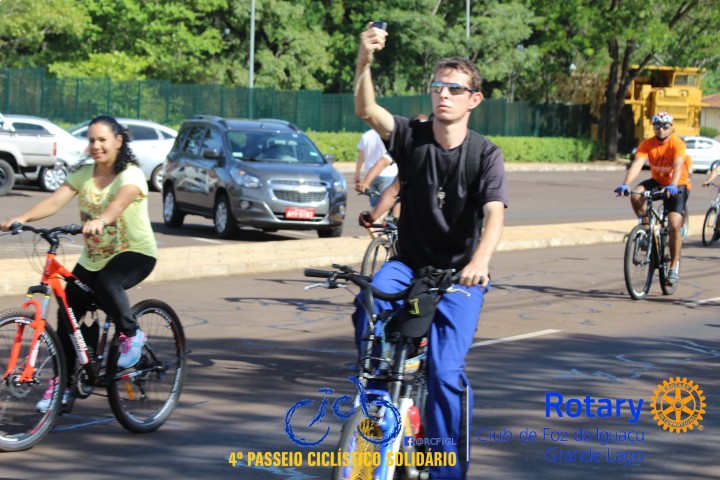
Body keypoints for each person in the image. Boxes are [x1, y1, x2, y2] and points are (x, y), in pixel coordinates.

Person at [353, 23, 507, 479]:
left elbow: (494, 214)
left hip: (459, 275)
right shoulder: (411, 137)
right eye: (438, 86)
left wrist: (480, 261)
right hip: (408, 265)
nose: (443, 95)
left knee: (443, 374)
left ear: (473, 100)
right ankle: (379, 409)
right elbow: (366, 109)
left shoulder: (485, 155)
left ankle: (445, 470)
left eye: (454, 89)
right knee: (368, 304)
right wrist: (364, 60)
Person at [1, 115, 158, 411]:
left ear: (118, 141)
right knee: (68, 311)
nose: (96, 146)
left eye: (103, 140)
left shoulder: (131, 174)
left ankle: (132, 334)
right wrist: (21, 218)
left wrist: (102, 219)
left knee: (108, 284)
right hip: (94, 259)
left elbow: (120, 202)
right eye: (92, 140)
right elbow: (54, 200)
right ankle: (64, 384)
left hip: (134, 253)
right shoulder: (84, 174)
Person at [615, 112, 689, 285]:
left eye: (665, 126)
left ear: (671, 127)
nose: (661, 129)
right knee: (635, 194)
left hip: (677, 184)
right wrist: (625, 184)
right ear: (653, 127)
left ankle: (673, 267)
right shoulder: (647, 143)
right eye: (657, 126)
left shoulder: (677, 143)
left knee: (673, 225)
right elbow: (637, 164)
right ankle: (647, 228)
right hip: (657, 181)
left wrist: (673, 184)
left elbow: (678, 165)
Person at [354, 128, 397, 207]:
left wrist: (357, 173)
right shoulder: (388, 135)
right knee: (386, 204)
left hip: (370, 175)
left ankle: (375, 215)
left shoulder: (366, 135)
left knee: (374, 206)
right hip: (388, 173)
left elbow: (361, 158)